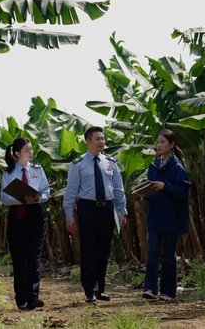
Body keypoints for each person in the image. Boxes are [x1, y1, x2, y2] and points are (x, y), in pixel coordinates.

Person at [63, 126, 128, 303]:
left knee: (103, 250)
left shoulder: (110, 162)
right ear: (88, 141)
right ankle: (89, 290)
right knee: (89, 250)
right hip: (87, 208)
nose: (101, 142)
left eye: (103, 138)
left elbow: (118, 189)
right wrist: (69, 216)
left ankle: (101, 288)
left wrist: (122, 211)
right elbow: (70, 192)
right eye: (97, 139)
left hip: (107, 208)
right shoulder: (78, 164)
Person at [137, 128, 190, 301]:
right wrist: (144, 195)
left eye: (163, 142)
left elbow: (183, 192)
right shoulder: (153, 166)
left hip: (172, 218)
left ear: (172, 145)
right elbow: (151, 187)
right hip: (155, 216)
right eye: (158, 142)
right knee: (152, 253)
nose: (159, 145)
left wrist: (165, 186)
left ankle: (168, 291)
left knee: (168, 255)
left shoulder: (177, 168)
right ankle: (150, 289)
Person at [1, 137, 51, 311]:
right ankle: (21, 298)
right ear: (17, 153)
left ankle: (33, 297)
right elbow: (4, 199)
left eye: (31, 149)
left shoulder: (37, 170)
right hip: (17, 215)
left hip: (35, 215)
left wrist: (39, 197)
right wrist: (20, 198)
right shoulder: (8, 172)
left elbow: (46, 190)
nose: (31, 152)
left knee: (34, 257)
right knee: (19, 259)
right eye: (27, 150)